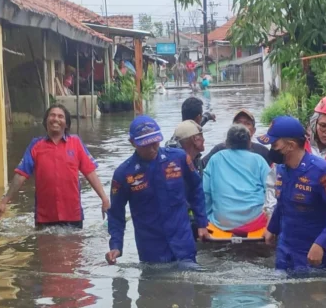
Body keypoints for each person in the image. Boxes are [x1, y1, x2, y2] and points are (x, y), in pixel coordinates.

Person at [105, 116, 209, 265]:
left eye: (155, 142)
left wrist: (202, 223)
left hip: (183, 245)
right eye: (146, 145)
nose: (152, 148)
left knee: (188, 283)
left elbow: (196, 189)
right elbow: (116, 213)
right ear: (132, 143)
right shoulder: (124, 174)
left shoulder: (179, 159)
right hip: (151, 252)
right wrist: (116, 245)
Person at [257, 116, 326, 273]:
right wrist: (271, 229)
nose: (272, 150)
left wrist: (321, 244)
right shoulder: (281, 169)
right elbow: (282, 203)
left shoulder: (321, 171)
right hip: (286, 252)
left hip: (316, 256)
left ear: (290, 146)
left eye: (275, 145)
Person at [0, 104, 109, 229]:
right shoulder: (36, 145)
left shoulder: (76, 143)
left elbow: (89, 172)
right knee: (46, 247)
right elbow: (21, 175)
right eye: (52, 115)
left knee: (74, 248)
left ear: (67, 124)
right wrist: (4, 202)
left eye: (60, 116)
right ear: (46, 121)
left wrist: (104, 199)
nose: (56, 119)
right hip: (44, 216)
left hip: (73, 215)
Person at [203, 125, 271, 234]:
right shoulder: (259, 160)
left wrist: (207, 216)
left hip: (222, 222)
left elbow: (205, 192)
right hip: (255, 221)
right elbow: (271, 189)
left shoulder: (215, 159)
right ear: (249, 142)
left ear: (226, 142)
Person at [202, 109, 269, 166]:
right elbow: (201, 167)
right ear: (232, 128)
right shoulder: (220, 149)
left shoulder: (262, 152)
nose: (242, 126)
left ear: (254, 131)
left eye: (247, 123)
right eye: (238, 122)